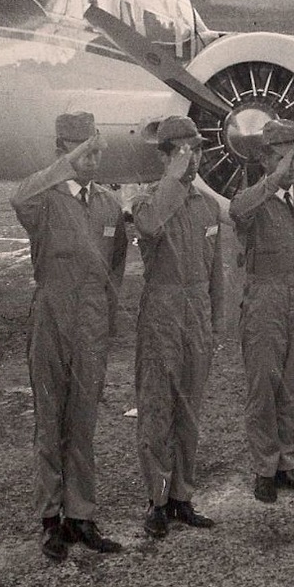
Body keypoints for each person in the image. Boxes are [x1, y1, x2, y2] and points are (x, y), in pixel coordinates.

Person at [12, 112, 129, 558]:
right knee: (50, 420)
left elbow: (115, 266)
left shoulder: (108, 205)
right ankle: (50, 518)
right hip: (52, 314)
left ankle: (81, 514)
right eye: (84, 151)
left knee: (82, 421)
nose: (94, 160)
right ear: (63, 148)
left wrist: (106, 316)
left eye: (97, 151)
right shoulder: (43, 199)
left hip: (92, 320)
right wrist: (65, 166)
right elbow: (17, 197)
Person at [131, 115, 224, 534]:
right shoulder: (148, 199)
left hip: (197, 317)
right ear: (166, 156)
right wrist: (171, 176)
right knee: (157, 411)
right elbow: (149, 225)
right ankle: (158, 499)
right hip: (163, 316)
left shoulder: (206, 206)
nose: (196, 159)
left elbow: (215, 272)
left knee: (189, 411)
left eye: (199, 150)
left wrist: (214, 322)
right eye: (186, 151)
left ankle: (183, 496)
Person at [229, 118, 294, 502]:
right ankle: (264, 468)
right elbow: (238, 212)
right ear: (267, 159)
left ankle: (289, 464)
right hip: (264, 303)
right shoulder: (252, 200)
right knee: (263, 389)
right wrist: (272, 181)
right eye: (288, 159)